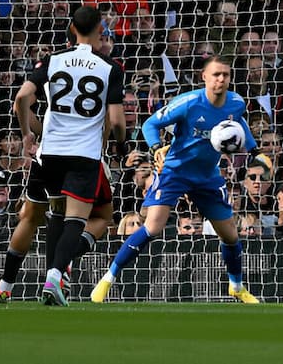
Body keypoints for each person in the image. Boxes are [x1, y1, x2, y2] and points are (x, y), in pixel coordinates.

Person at [90, 56, 266, 304]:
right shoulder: (189, 102)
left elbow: (239, 123)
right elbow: (150, 124)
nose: (221, 79)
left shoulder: (236, 103)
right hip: (175, 171)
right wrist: (156, 148)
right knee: (152, 227)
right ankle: (108, 279)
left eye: (225, 75)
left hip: (207, 176)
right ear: (204, 77)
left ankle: (236, 287)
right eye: (216, 74)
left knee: (230, 236)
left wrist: (256, 151)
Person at [12, 6, 126, 306]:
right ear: (100, 30)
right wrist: (121, 146)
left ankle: (12, 280)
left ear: (72, 28)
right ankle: (54, 277)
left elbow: (22, 97)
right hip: (83, 155)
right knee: (76, 219)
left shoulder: (52, 60)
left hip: (49, 154)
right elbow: (116, 121)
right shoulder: (109, 67)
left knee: (52, 216)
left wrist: (27, 134)